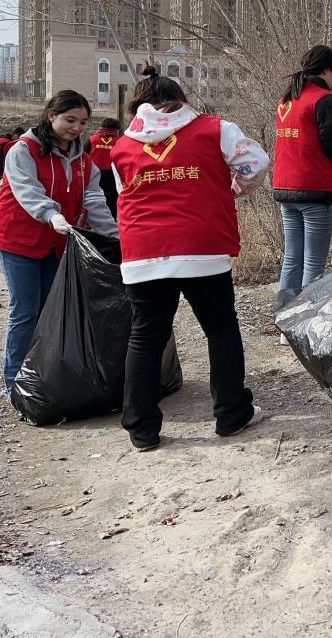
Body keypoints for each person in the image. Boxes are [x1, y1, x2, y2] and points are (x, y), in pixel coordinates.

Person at [112, 66, 270, 451]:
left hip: (144, 250)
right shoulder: (216, 129)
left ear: (139, 105)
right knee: (220, 329)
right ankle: (231, 413)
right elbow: (256, 163)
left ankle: (141, 429)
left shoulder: (122, 146)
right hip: (202, 246)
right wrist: (234, 189)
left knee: (145, 337)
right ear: (180, 100)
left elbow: (122, 191)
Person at [0, 94, 116, 394]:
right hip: (17, 239)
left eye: (83, 123)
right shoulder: (24, 150)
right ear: (51, 115)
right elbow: (27, 190)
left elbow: (94, 200)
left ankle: (39, 376)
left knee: (49, 310)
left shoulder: (84, 161)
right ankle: (13, 384)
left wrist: (115, 235)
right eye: (70, 120)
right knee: (25, 310)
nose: (77, 128)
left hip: (54, 243)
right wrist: (51, 214)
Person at [272, 45, 332, 310]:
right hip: (316, 188)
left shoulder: (286, 100)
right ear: (327, 70)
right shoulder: (324, 99)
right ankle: (304, 318)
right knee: (314, 262)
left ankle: (284, 314)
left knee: (292, 258)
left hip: (285, 186)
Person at [88, 117, 122, 218]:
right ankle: (111, 218)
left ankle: (92, 218)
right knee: (112, 198)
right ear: (116, 129)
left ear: (102, 126)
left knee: (93, 196)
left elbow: (84, 155)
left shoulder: (92, 139)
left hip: (94, 173)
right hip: (112, 175)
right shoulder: (119, 141)